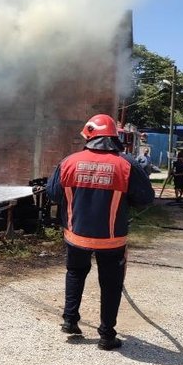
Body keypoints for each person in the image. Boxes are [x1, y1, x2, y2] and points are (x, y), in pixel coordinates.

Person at [47, 114, 154, 350]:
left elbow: (53, 194)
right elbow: (146, 198)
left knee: (75, 273)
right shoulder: (126, 164)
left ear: (90, 135)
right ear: (113, 137)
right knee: (110, 284)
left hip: (76, 236)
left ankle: (69, 320)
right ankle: (106, 336)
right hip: (112, 239)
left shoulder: (69, 162)